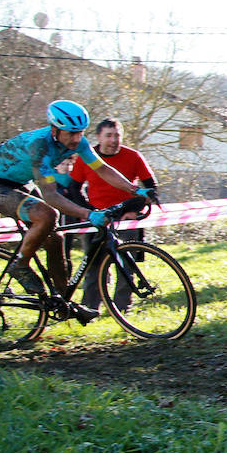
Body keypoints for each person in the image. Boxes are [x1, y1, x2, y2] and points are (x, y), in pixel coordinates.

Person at [0, 101, 151, 324]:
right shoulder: (39, 146)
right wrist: (88, 213)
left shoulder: (78, 142)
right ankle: (19, 265)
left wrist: (134, 189)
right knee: (48, 215)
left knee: (56, 240)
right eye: (71, 134)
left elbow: (102, 169)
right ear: (55, 130)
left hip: (18, 183)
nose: (76, 139)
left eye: (80, 133)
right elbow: (50, 196)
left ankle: (63, 303)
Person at [70, 118, 157, 311]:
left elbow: (151, 187)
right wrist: (88, 212)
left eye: (117, 135)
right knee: (93, 266)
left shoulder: (133, 156)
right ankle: (90, 308)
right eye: (108, 136)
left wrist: (135, 211)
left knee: (126, 265)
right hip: (96, 218)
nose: (113, 140)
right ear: (99, 137)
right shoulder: (86, 156)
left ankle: (122, 308)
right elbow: (73, 188)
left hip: (125, 219)